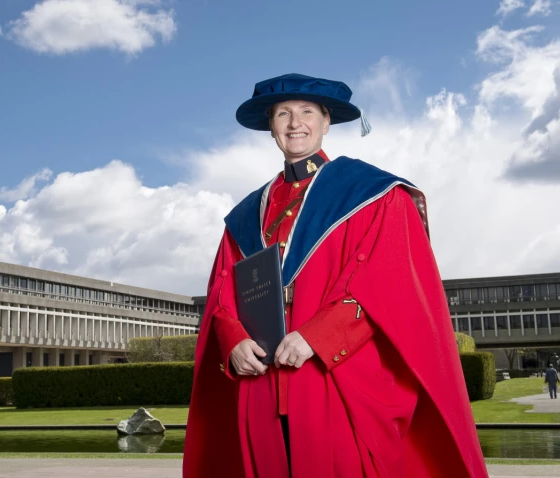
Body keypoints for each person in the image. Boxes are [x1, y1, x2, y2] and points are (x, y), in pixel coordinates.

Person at [184, 73, 487, 477]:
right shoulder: (245, 216)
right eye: (283, 114)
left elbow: (390, 285)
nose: (296, 123)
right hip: (259, 382)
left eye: (307, 112)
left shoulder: (372, 195)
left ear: (327, 122)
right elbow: (224, 291)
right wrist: (233, 339)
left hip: (334, 379)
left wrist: (319, 336)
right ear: (270, 127)